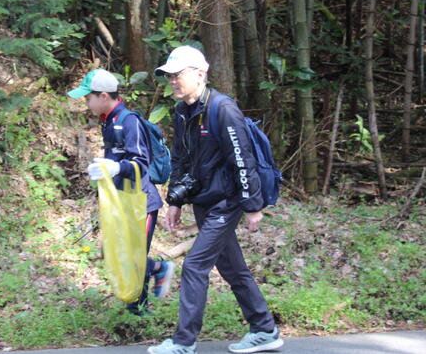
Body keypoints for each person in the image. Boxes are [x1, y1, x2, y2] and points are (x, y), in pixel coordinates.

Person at [146, 46, 283, 354]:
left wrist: (253, 206)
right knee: (233, 269)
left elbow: (242, 159)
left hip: (227, 202)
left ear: (200, 73)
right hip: (204, 200)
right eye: (169, 76)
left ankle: (183, 342)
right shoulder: (183, 111)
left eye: (178, 75)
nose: (173, 81)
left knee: (194, 265)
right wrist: (175, 201)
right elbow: (180, 158)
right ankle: (265, 329)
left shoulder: (223, 109)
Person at [68, 69, 175, 315]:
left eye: (88, 98)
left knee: (135, 256)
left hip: (142, 202)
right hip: (122, 200)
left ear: (104, 96)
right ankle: (142, 298)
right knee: (120, 253)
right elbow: (117, 158)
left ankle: (141, 307)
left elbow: (141, 163)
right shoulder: (108, 121)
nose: (86, 103)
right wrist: (104, 169)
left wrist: (116, 167)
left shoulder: (129, 121)